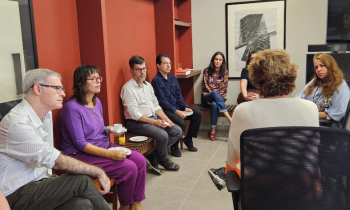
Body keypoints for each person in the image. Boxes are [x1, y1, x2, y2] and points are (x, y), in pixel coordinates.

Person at [209, 49, 320, 191]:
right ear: (291, 76)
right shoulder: (311, 108)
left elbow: (232, 161)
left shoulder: (243, 111)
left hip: (260, 194)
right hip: (304, 193)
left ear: (256, 78)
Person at [0, 69, 111, 210]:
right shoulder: (17, 123)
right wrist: (98, 171)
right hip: (14, 192)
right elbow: (53, 159)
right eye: (57, 88)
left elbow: (48, 155)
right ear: (38, 89)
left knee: (82, 204)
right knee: (82, 181)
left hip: (37, 182)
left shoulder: (46, 115)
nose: (63, 93)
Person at [61, 65, 146, 210]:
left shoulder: (96, 102)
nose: (98, 81)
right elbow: (80, 143)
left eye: (98, 78)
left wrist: (108, 129)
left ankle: (136, 203)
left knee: (140, 160)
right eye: (93, 78)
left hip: (103, 145)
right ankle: (125, 206)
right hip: (80, 154)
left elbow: (97, 128)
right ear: (81, 82)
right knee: (128, 168)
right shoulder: (72, 108)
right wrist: (111, 154)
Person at [121, 55, 182, 175]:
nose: (142, 72)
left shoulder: (148, 86)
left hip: (152, 118)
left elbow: (156, 105)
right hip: (136, 122)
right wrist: (155, 122)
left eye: (144, 68)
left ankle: (153, 155)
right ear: (131, 71)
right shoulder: (128, 89)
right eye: (138, 69)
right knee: (163, 135)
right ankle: (163, 160)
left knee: (176, 130)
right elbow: (133, 114)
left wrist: (167, 119)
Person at [151, 53, 202, 157]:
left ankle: (188, 139)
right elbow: (162, 102)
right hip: (166, 111)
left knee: (197, 113)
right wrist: (177, 111)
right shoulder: (156, 81)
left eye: (170, 63)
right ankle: (174, 146)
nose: (169, 65)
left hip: (177, 108)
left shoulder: (173, 78)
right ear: (158, 65)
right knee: (180, 122)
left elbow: (179, 97)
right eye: (165, 63)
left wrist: (185, 107)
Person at [296, 52, 350, 123]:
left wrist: (309, 113)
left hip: (325, 126)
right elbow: (298, 99)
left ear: (330, 67)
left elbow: (336, 113)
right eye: (316, 67)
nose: (318, 69)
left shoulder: (340, 86)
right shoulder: (314, 82)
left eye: (322, 66)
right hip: (307, 120)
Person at [202, 51, 231, 141]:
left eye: (220, 60)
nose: (218, 61)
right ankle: (229, 117)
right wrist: (214, 95)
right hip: (206, 97)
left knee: (215, 104)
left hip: (218, 100)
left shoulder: (225, 72)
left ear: (222, 62)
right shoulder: (206, 71)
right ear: (213, 60)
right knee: (214, 93)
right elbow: (205, 86)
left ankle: (212, 131)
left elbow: (224, 89)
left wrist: (216, 97)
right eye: (216, 59)